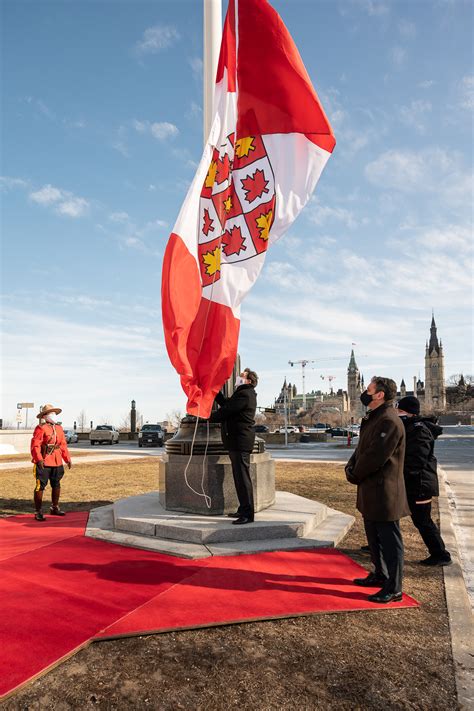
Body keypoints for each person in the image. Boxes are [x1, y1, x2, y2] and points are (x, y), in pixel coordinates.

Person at [345, 376, 410, 603]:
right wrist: (351, 466)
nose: (365, 392)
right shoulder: (374, 418)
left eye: (368, 389)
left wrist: (355, 473)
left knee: (390, 541)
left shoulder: (389, 421)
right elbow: (363, 449)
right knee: (374, 538)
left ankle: (394, 587)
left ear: (379, 394)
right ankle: (380, 574)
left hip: (385, 491)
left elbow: (375, 457)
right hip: (371, 489)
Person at [397, 396, 451, 566]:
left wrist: (401, 474)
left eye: (401, 411)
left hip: (420, 484)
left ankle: (440, 554)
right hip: (412, 483)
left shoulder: (419, 431)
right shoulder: (410, 427)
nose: (398, 414)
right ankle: (380, 544)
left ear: (411, 413)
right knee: (392, 515)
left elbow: (416, 460)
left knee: (422, 520)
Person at [209, 368, 258, 525]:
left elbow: (226, 411)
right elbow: (227, 404)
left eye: (242, 376)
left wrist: (206, 416)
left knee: (243, 479)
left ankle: (248, 514)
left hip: (240, 442)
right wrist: (215, 391)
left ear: (249, 381)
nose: (238, 377)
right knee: (239, 478)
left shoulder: (245, 394)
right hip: (237, 442)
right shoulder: (242, 394)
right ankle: (243, 509)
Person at [30, 404, 72, 521]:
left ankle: (54, 508)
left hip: (57, 461)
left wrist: (67, 459)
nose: (53, 415)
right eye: (50, 413)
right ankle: (38, 511)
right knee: (40, 486)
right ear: (45, 416)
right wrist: (39, 459)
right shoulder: (41, 428)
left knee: (56, 484)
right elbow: (35, 445)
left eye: (54, 413)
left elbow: (62, 445)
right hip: (44, 461)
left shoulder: (59, 428)